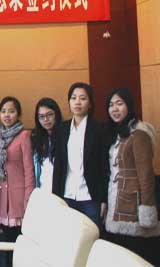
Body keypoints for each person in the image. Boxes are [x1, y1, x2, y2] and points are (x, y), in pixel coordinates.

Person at [103, 88, 160, 265]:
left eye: (119, 103)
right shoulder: (119, 132)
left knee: (136, 257)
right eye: (111, 105)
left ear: (129, 105)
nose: (114, 109)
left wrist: (147, 210)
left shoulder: (139, 133)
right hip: (118, 202)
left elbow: (146, 176)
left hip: (134, 206)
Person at [52, 82, 108, 228]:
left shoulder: (99, 129)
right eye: (73, 98)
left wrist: (104, 199)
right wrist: (55, 198)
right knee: (68, 236)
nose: (77, 102)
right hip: (67, 195)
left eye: (83, 98)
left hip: (91, 197)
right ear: (69, 102)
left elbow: (104, 166)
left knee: (92, 236)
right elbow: (58, 167)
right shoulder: (62, 129)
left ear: (90, 104)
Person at [0, 96, 34, 267]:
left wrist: (28, 200)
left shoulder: (24, 136)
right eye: (3, 111)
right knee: (7, 244)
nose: (7, 115)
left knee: (20, 245)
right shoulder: (0, 137)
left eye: (11, 111)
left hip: (19, 200)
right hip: (3, 199)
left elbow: (29, 170)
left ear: (18, 114)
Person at [32, 98, 62, 192]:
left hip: (61, 192)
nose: (45, 119)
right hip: (43, 191)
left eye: (49, 115)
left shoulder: (65, 136)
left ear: (56, 114)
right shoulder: (36, 138)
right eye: (41, 116)